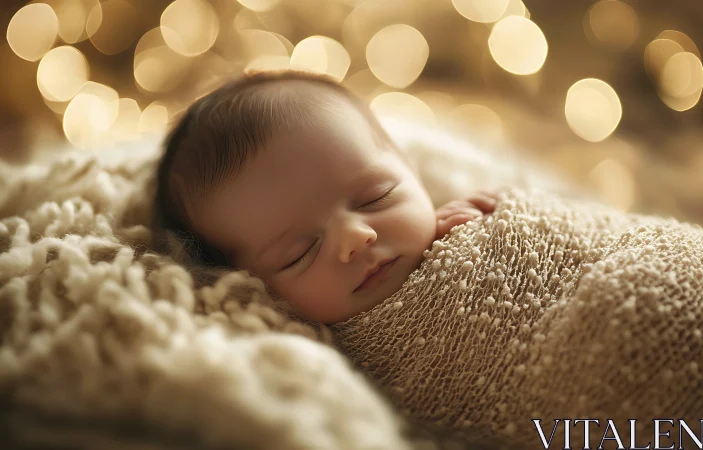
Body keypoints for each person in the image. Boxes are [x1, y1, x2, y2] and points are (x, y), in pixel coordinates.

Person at [153, 69, 500, 324]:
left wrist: (463, 229)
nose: (356, 237)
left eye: (376, 198)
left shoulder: (466, 222)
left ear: (411, 171)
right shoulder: (304, 356)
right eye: (300, 254)